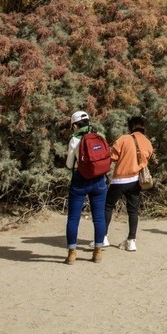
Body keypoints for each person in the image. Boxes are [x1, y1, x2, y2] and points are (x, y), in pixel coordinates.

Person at [64, 110, 108, 264]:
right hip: (99, 181)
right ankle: (97, 253)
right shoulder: (99, 136)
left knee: (73, 218)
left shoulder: (75, 140)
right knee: (99, 218)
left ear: (75, 125)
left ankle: (72, 254)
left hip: (80, 181)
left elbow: (69, 165)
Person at [104, 115, 153, 252]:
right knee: (133, 211)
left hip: (120, 179)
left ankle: (103, 237)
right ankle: (131, 241)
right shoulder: (148, 143)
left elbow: (112, 157)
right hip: (135, 181)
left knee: (108, 206)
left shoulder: (123, 139)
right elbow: (147, 158)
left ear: (130, 126)